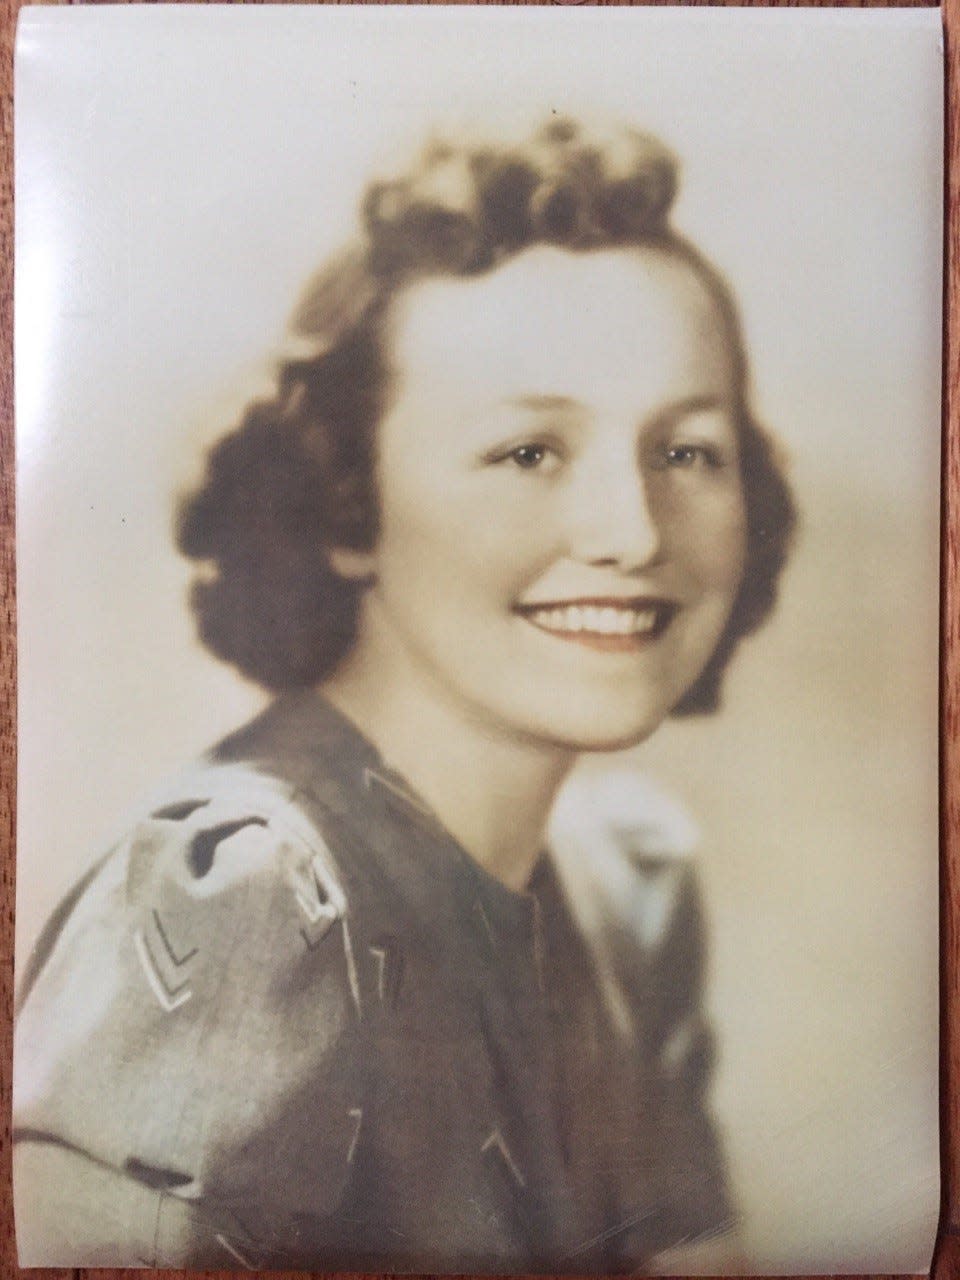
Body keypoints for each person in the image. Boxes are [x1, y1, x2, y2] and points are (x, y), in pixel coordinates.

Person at [13, 117, 795, 1271]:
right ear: (345, 505)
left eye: (687, 450)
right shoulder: (245, 909)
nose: (632, 533)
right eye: (530, 450)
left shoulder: (627, 887)